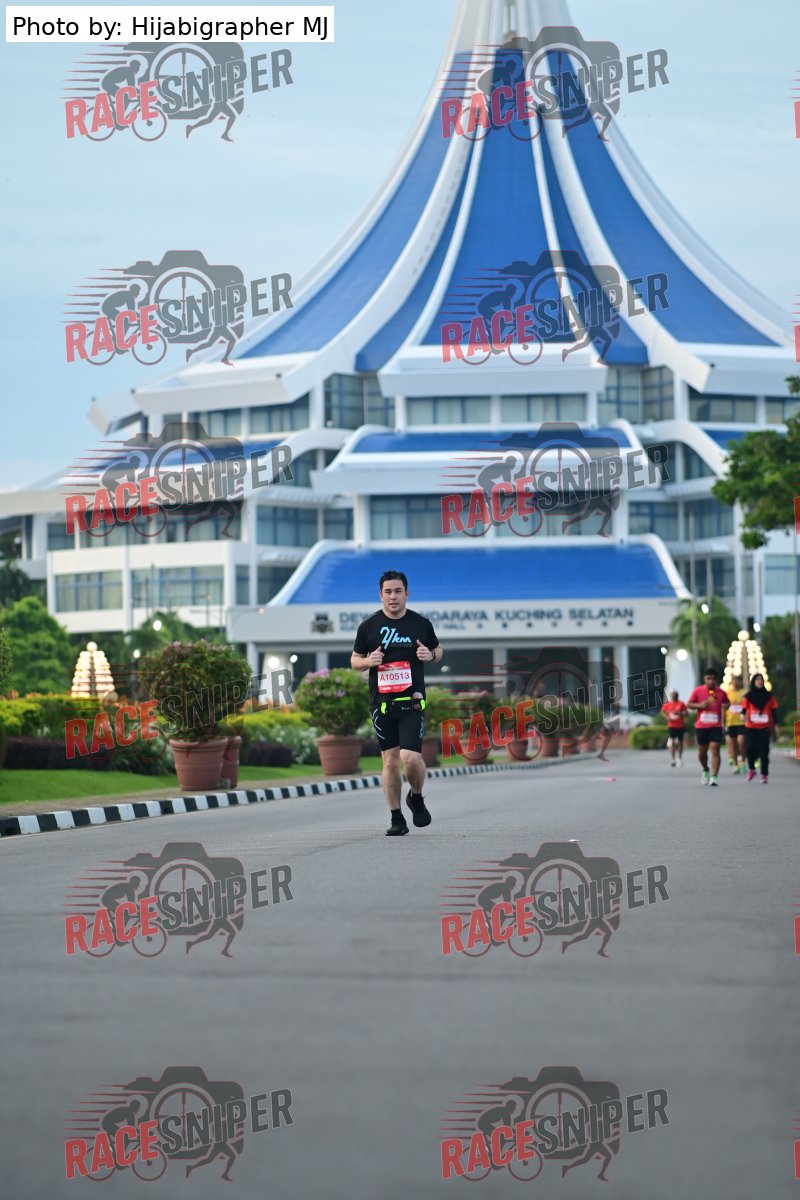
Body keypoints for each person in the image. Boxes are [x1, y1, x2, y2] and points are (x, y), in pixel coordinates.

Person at [351, 570, 443, 835]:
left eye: (398, 591)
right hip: (382, 704)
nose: (393, 596)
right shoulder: (368, 627)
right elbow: (355, 660)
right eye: (388, 592)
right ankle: (396, 818)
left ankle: (416, 796)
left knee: (411, 758)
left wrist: (430, 655)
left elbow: (438, 649)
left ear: (407, 593)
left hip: (412, 702)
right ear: (380, 595)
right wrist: (368, 661)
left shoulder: (420, 624)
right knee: (390, 761)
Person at [686, 668, 729, 787]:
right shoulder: (698, 691)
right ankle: (705, 769)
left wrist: (726, 706)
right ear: (704, 679)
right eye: (708, 678)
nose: (711, 681)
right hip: (701, 726)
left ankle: (714, 777)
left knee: (715, 749)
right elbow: (689, 704)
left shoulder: (721, 692)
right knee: (702, 752)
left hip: (716, 725)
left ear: (716, 680)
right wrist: (700, 705)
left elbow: (727, 702)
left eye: (713, 679)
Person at [741, 673, 779, 783]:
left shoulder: (769, 696)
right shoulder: (748, 696)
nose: (760, 681)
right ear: (753, 682)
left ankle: (764, 774)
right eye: (757, 679)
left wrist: (776, 726)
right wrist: (742, 716)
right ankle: (751, 769)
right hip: (751, 727)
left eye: (761, 679)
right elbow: (743, 710)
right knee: (749, 748)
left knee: (764, 751)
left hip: (764, 727)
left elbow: (774, 712)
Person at [724, 675, 747, 773]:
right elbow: (723, 707)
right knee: (733, 745)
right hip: (730, 722)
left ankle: (743, 761)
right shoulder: (727, 693)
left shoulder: (745, 693)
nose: (736, 682)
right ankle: (735, 765)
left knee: (741, 743)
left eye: (738, 680)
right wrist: (723, 722)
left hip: (742, 722)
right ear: (731, 682)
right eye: (734, 680)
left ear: (740, 682)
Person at [660, 690, 687, 767]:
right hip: (672, 726)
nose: (674, 696)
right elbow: (662, 712)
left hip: (680, 726)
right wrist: (667, 717)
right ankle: (673, 759)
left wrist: (680, 713)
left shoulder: (681, 703)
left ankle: (679, 758)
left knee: (680, 742)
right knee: (672, 742)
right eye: (673, 695)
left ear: (678, 696)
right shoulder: (668, 704)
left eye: (675, 695)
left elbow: (686, 713)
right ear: (671, 696)